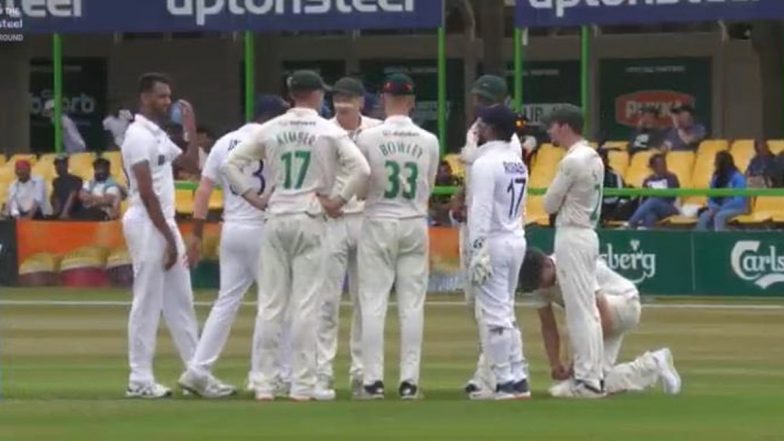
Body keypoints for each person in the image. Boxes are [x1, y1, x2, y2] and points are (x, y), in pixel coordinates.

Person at [222, 70, 370, 402]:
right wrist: (338, 201)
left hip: (276, 215)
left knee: (271, 303)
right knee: (306, 304)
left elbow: (231, 164)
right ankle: (303, 384)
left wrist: (254, 197)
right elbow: (362, 169)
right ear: (316, 95)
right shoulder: (327, 130)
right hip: (310, 215)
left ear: (291, 94)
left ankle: (263, 382)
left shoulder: (271, 128)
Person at [178, 96, 288, 399]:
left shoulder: (225, 141)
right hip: (265, 228)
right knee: (276, 304)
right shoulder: (276, 140)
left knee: (225, 302)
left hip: (233, 230)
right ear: (274, 118)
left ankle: (198, 370)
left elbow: (203, 190)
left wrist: (197, 234)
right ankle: (266, 375)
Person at [354, 73, 439, 400]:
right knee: (411, 305)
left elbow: (361, 184)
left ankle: (373, 382)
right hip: (414, 220)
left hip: (378, 218)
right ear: (412, 101)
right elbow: (428, 186)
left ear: (383, 100)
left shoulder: (367, 137)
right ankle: (409, 382)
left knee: (373, 304)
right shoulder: (428, 140)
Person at [120, 73, 202, 399]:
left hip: (164, 223)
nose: (167, 101)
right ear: (144, 98)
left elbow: (192, 164)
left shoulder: (157, 135)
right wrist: (169, 237)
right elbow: (146, 193)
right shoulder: (137, 136)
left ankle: (197, 372)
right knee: (147, 301)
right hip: (146, 222)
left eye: (169, 96)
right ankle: (139, 379)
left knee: (181, 301)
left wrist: (191, 128)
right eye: (161, 96)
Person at [518, 248, 682, 396]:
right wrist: (555, 363)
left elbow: (603, 315)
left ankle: (585, 377)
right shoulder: (538, 286)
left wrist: (579, 363)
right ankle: (654, 363)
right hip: (597, 317)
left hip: (624, 304)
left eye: (539, 281)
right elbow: (548, 326)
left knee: (579, 318)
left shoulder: (571, 266)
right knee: (597, 384)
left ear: (547, 264)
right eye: (534, 285)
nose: (539, 287)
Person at [317, 76, 382, 399]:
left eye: (348, 97)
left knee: (364, 300)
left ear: (361, 102)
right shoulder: (322, 130)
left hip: (367, 219)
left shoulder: (377, 130)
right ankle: (323, 372)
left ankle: (361, 372)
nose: (341, 102)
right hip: (333, 219)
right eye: (337, 97)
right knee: (327, 300)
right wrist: (327, 203)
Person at [459, 74, 522, 399]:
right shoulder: (512, 159)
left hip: (493, 237)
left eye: (484, 103)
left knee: (495, 312)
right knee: (500, 310)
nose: (478, 108)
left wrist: (478, 248)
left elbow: (482, 210)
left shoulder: (496, 153)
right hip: (513, 236)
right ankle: (515, 376)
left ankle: (503, 382)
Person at [542, 104, 605, 399]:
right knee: (587, 310)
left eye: (553, 125)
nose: (550, 131)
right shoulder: (594, 157)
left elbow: (549, 205)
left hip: (572, 235)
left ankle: (587, 380)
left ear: (565, 126)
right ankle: (593, 375)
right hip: (587, 235)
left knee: (580, 312)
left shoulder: (572, 162)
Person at [696, 151, 748, 231]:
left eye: (717, 161)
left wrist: (722, 208)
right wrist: (712, 206)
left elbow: (739, 200)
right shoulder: (716, 177)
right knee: (704, 216)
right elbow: (711, 196)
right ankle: (701, 240)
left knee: (719, 216)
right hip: (719, 207)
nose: (714, 163)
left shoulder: (738, 177)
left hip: (737, 207)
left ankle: (720, 240)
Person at [627, 153, 681, 229]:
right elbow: (644, 199)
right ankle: (648, 238)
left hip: (670, 208)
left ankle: (632, 222)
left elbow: (671, 197)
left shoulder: (671, 177)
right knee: (650, 215)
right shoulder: (648, 180)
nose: (663, 167)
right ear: (653, 167)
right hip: (652, 207)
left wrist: (654, 194)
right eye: (659, 165)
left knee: (653, 201)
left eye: (664, 164)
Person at [598, 148, 626, 223]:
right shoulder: (587, 175)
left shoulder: (615, 175)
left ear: (607, 161)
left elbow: (620, 195)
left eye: (602, 160)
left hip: (610, 206)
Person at [50, 155, 83, 220]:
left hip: (73, 214)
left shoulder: (76, 179)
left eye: (60, 164)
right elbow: (55, 198)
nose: (58, 167)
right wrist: (55, 214)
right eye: (56, 164)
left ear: (66, 165)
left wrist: (64, 213)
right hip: (59, 215)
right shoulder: (56, 181)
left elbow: (72, 195)